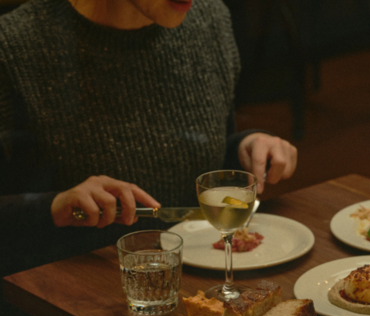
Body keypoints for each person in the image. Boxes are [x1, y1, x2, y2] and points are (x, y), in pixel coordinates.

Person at [0, 0, 297, 276]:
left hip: (192, 277)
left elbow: (193, 151)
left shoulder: (208, 17)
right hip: (68, 297)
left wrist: (244, 148)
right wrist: (53, 206)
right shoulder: (15, 47)